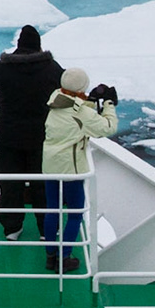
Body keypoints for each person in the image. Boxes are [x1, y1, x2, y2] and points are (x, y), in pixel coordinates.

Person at [0, 26, 65, 241]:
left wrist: (7, 59)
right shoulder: (51, 67)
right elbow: (64, 79)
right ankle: (46, 229)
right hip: (41, 137)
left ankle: (12, 227)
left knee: (10, 183)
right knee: (43, 184)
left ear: (19, 45)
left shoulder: (4, 67)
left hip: (9, 137)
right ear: (38, 45)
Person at [41, 68, 118, 274]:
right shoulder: (81, 113)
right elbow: (107, 127)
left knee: (52, 210)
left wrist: (89, 100)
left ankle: (50, 255)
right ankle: (64, 258)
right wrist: (109, 104)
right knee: (75, 214)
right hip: (71, 170)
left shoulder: (55, 100)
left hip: (50, 166)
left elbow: (74, 110)